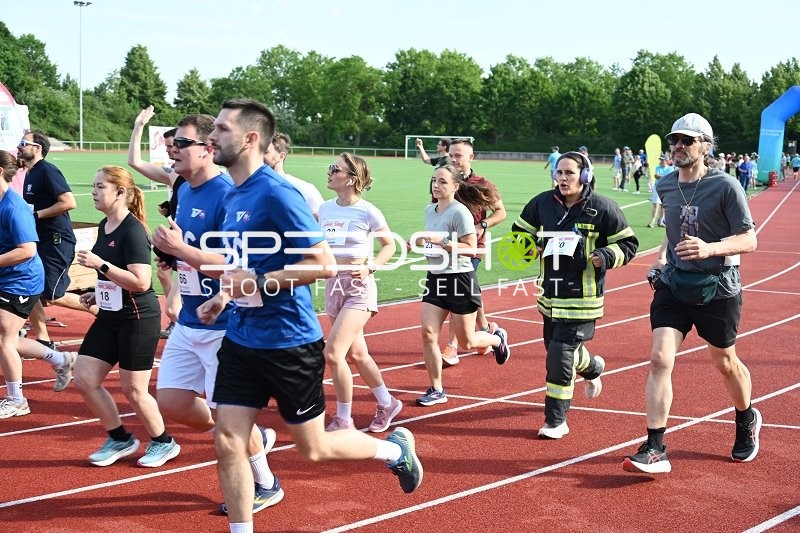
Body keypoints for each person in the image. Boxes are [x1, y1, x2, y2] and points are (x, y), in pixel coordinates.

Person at [197, 98, 421, 533]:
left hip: (288, 342)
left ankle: (394, 452)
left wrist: (257, 285)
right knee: (227, 440)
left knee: (313, 447)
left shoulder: (278, 194)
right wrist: (224, 297)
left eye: (221, 129)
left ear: (250, 139)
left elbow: (322, 263)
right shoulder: (232, 195)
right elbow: (240, 263)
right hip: (242, 339)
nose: (212, 136)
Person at [150, 114, 282, 514]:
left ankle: (267, 482)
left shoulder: (228, 194)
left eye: (182, 143)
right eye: (171, 142)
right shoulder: (184, 189)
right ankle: (248, 431)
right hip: (190, 319)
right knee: (170, 401)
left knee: (229, 419)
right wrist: (173, 285)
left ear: (207, 149)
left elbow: (234, 261)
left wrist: (181, 251)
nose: (172, 149)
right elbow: (184, 255)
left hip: (225, 323)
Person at [623, 113, 761, 474]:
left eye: (687, 140)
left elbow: (749, 239)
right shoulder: (666, 185)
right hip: (674, 284)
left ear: (705, 145)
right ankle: (655, 447)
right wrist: (659, 261)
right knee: (659, 359)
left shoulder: (726, 186)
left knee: (725, 362)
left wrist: (709, 248)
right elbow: (673, 237)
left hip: (718, 287)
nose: (679, 147)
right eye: (674, 141)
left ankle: (746, 417)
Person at [512, 151, 638, 438]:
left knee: (559, 354)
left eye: (570, 173)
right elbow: (519, 232)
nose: (563, 178)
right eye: (560, 172)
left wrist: (603, 256)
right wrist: (529, 246)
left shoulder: (603, 208)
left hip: (583, 297)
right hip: (550, 296)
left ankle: (555, 420)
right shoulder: (541, 203)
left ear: (584, 176)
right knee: (557, 350)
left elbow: (628, 244)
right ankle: (592, 367)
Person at [73, 165, 180, 468]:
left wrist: (101, 266)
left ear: (120, 192)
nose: (93, 192)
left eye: (100, 187)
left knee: (134, 389)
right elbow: (116, 276)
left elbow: (142, 281)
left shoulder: (133, 230)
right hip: (110, 314)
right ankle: (119, 437)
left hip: (137, 318)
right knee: (84, 377)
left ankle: (163, 442)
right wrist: (99, 289)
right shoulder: (104, 224)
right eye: (93, 186)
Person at [413, 164, 511, 406]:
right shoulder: (429, 210)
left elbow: (471, 249)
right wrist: (418, 242)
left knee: (467, 342)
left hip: (460, 279)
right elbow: (433, 242)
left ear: (455, 187)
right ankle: (437, 389)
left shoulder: (460, 213)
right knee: (427, 333)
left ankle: (497, 339)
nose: (436, 185)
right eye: (434, 180)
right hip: (435, 277)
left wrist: (444, 242)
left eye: (443, 182)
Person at [318, 152, 402, 432]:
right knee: (358, 354)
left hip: (358, 287)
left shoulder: (368, 211)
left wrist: (371, 266)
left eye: (335, 169)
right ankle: (387, 402)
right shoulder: (326, 208)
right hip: (333, 285)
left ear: (352, 179)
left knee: (333, 353)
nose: (329, 172)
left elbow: (389, 245)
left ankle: (343, 418)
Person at [0, 150, 75, 417]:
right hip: (6, 276)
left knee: (4, 338)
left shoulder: (14, 207)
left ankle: (16, 398)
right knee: (4, 338)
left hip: (21, 280)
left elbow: (27, 250)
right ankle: (60, 359)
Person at [18, 130, 95, 349]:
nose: (19, 146)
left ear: (37, 148)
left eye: (24, 143)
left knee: (50, 294)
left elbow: (69, 202)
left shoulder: (47, 171)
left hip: (56, 239)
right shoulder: (30, 173)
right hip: (39, 239)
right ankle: (43, 340)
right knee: (30, 287)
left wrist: (36, 215)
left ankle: (104, 309)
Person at [440, 138, 506, 365]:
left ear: (471, 157)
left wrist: (481, 226)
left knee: (456, 294)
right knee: (468, 291)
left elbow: (500, 212)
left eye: (458, 155)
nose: (454, 159)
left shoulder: (482, 183)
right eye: (451, 155)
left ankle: (452, 347)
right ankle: (488, 330)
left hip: (471, 250)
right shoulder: (444, 180)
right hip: (447, 248)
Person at [128, 107, 184, 339]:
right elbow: (135, 161)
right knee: (163, 275)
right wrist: (138, 126)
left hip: (196, 244)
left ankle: (186, 325)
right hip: (177, 236)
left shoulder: (218, 182)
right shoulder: (174, 174)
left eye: (175, 146)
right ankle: (180, 324)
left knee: (178, 302)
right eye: (169, 147)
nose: (171, 152)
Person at [264, 131, 324, 220]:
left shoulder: (302, 188)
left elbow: (326, 221)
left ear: (281, 156)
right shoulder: (248, 187)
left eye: (265, 152)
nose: (259, 156)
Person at [648, 156, 674, 228]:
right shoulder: (658, 167)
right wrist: (663, 176)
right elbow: (656, 176)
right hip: (658, 187)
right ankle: (652, 221)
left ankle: (661, 221)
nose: (661, 161)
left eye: (663, 160)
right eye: (661, 160)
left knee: (663, 206)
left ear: (666, 161)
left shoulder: (670, 168)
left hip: (666, 188)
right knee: (656, 205)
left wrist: (661, 176)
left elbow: (668, 177)